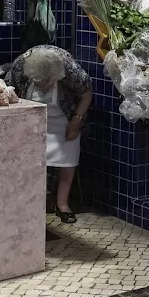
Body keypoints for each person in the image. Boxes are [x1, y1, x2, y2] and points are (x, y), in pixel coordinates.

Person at [8, 46, 93, 224]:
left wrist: (75, 122)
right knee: (27, 161)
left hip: (63, 120)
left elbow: (87, 93)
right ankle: (28, 203)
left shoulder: (70, 69)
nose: (45, 87)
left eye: (49, 83)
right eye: (40, 83)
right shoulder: (19, 66)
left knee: (67, 159)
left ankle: (62, 204)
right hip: (30, 121)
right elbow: (10, 92)